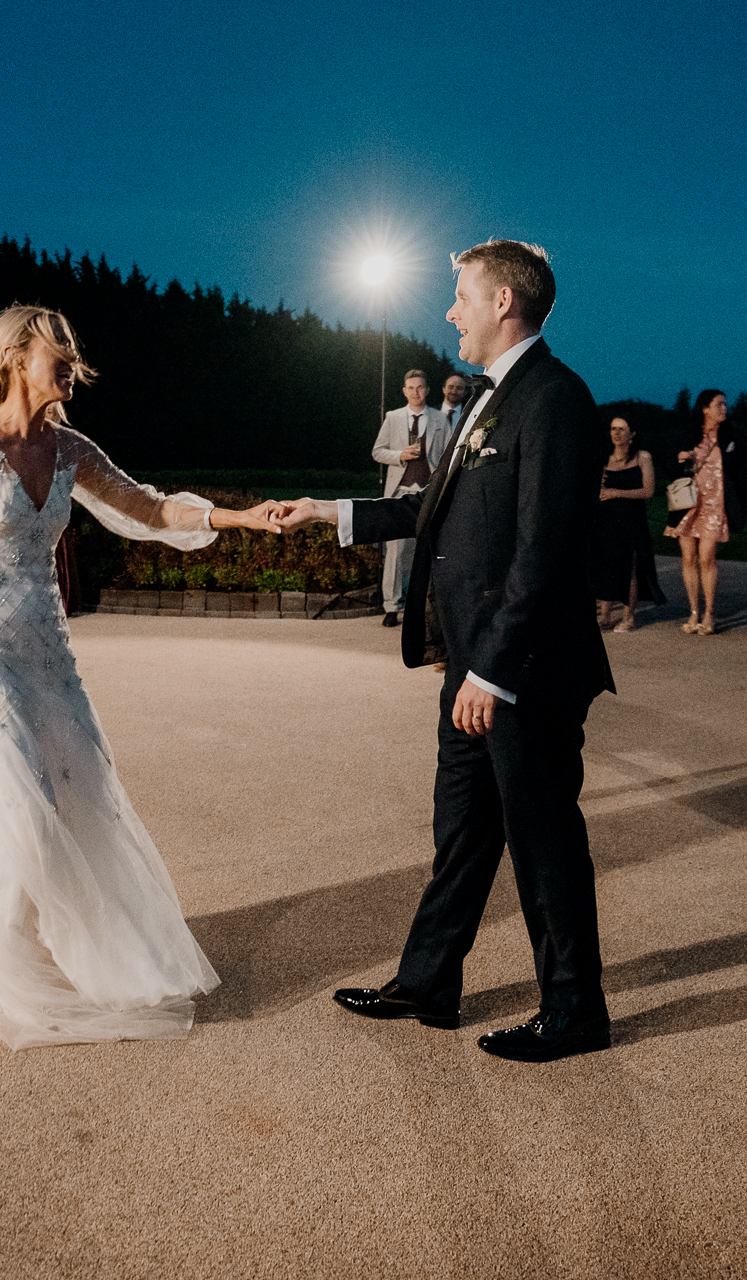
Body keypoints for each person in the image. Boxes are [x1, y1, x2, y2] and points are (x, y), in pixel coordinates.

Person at [0, 304, 279, 1050]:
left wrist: (241, 518)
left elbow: (152, 509)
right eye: (55, 351)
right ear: (11, 358)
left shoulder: (71, 447)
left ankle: (98, 943)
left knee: (82, 787)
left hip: (49, 648)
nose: (69, 362)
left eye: (71, 351)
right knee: (12, 790)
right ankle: (4, 954)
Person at [275, 240, 615, 1063]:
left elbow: (544, 553)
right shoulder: (492, 399)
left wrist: (493, 672)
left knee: (542, 839)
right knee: (462, 831)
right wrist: (332, 510)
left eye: (462, 295)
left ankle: (575, 1010)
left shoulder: (556, 400)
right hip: (474, 665)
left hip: (521, 671)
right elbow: (438, 508)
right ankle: (429, 981)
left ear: (504, 302)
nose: (451, 311)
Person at [370, 369, 438, 627]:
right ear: (404, 390)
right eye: (411, 388)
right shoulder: (393, 417)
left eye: (420, 387)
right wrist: (399, 455)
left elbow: (444, 455)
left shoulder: (440, 418)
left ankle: (423, 608)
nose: (415, 392)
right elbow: (377, 452)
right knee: (396, 552)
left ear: (427, 390)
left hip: (428, 491)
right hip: (399, 491)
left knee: (428, 550)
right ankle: (391, 607)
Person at [664, 389, 733, 636]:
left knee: (707, 558)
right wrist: (681, 459)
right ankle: (694, 612)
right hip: (689, 504)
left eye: (725, 404)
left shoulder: (728, 436)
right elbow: (669, 466)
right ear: (705, 407)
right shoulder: (688, 435)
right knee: (688, 558)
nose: (724, 408)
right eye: (719, 404)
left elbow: (738, 468)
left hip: (715, 505)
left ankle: (709, 613)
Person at [591, 416, 664, 631]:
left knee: (629, 567)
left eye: (622, 429)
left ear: (632, 433)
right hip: (605, 520)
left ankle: (628, 617)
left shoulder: (642, 457)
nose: (616, 433)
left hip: (632, 521)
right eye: (613, 428)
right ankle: (604, 616)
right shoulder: (605, 458)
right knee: (605, 566)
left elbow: (648, 490)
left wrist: (616, 492)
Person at [438, 372, 471, 444]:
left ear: (465, 392)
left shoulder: (469, 416)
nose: (454, 391)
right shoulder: (429, 412)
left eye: (459, 388)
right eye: (451, 387)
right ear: (444, 389)